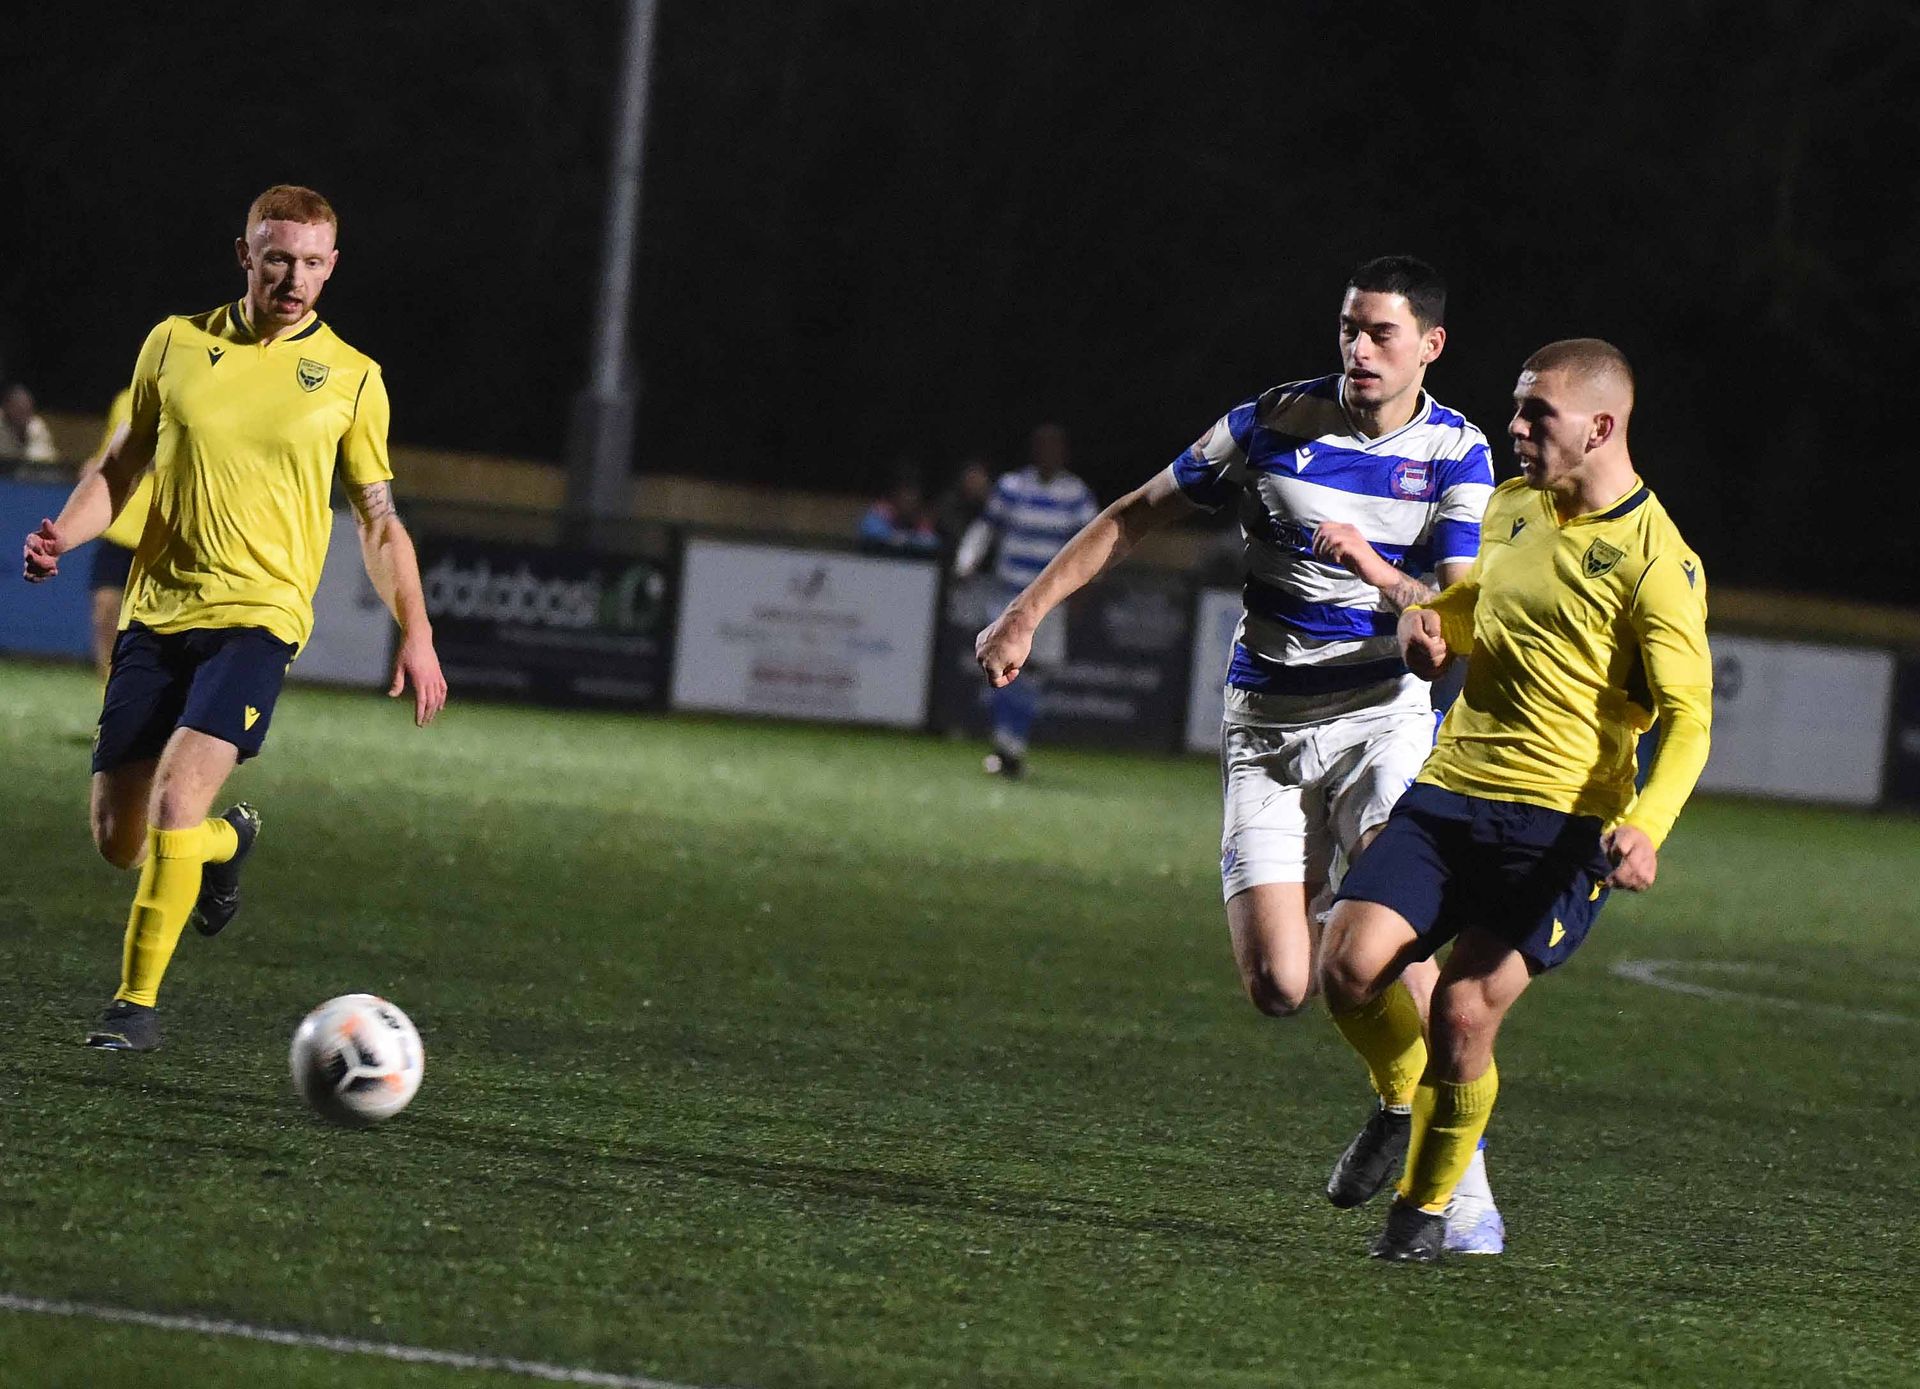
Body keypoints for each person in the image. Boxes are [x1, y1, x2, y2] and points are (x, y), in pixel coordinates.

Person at [974, 257, 1505, 1250]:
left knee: (1391, 936)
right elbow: (1137, 511)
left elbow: (1454, 605)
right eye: (1348, 328)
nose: (1358, 348)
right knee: (1280, 986)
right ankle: (1401, 1099)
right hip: (1265, 723)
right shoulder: (1268, 424)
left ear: (1430, 346)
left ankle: (1455, 1180)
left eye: (1381, 333)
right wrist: (1025, 610)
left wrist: (1402, 598)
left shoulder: (1458, 453)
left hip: (1383, 718)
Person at [20, 184, 447, 1053]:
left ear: (332, 266)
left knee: (177, 796)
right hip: (157, 611)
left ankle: (133, 1008)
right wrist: (65, 531)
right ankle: (226, 843)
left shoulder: (354, 378)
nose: (295, 279)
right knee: (119, 839)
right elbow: (121, 466)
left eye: (313, 263)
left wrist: (419, 627)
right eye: (279, 258)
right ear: (246, 254)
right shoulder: (174, 343)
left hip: (260, 618)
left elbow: (377, 520)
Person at [1319, 338, 1712, 1262]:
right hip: (1452, 790)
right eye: (1517, 408)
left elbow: (1690, 719)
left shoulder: (1658, 562)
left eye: (1539, 414)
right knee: (1346, 966)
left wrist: (1646, 826)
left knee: (1462, 1010)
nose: (1517, 426)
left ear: (1601, 427)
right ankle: (1401, 1100)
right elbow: (1479, 609)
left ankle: (1422, 1212)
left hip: (1561, 826)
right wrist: (1427, 624)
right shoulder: (1511, 505)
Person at [957, 423, 1099, 778]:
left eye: (1055, 447)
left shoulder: (1076, 495)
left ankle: (1010, 746)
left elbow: (1090, 545)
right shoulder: (1011, 486)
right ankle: (1007, 747)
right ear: (1034, 451)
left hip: (1049, 600)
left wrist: (1084, 590)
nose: (1048, 454)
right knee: (1002, 667)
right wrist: (966, 561)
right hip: (1009, 595)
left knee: (1033, 673)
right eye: (1042, 447)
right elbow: (986, 528)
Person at [77, 387, 149, 678]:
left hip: (167, 529)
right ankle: (109, 689)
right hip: (120, 526)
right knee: (105, 609)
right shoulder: (126, 399)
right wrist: (94, 467)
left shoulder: (197, 397)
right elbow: (110, 452)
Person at [857, 465, 940, 556]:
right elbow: (873, 534)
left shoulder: (919, 518)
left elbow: (932, 542)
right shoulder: (878, 515)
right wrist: (899, 538)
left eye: (914, 494)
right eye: (906, 492)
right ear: (895, 493)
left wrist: (920, 531)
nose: (911, 499)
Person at [1, 382, 58, 463]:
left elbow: (46, 461)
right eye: (19, 409)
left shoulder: (37, 426)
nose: (25, 417)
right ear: (6, 407)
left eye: (28, 410)